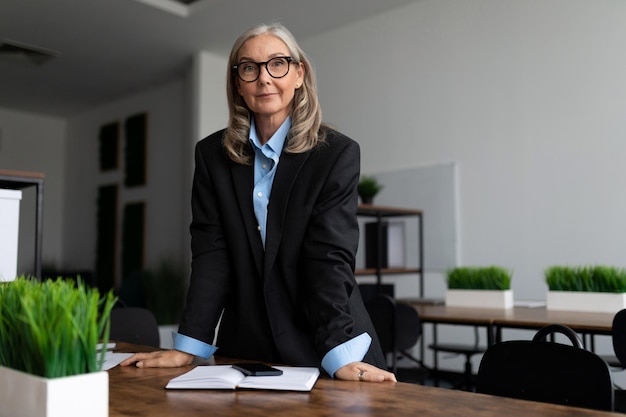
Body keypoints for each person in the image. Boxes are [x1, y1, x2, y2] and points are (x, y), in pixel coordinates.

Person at [121, 22, 396, 383]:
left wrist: (338, 351)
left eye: (277, 63)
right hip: (246, 349)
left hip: (326, 344)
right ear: (238, 82)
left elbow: (328, 259)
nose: (264, 78)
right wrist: (190, 344)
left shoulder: (335, 154)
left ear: (299, 74)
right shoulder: (211, 156)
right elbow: (211, 255)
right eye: (249, 67)